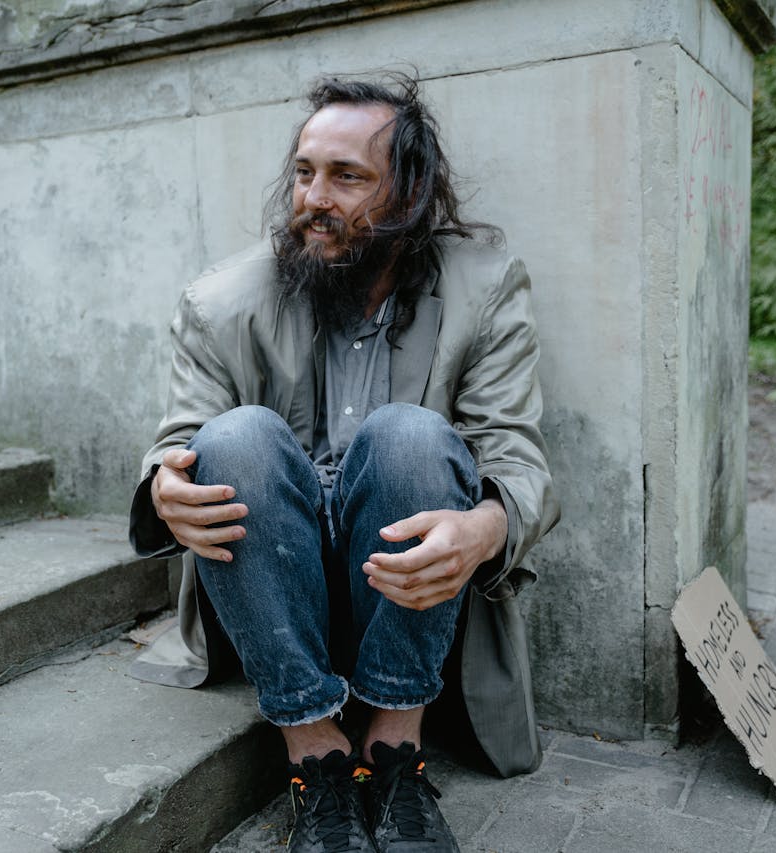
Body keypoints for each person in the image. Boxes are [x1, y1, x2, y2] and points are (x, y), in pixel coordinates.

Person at [129, 74, 558, 853]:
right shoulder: (222, 300)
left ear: (411, 194)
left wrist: (485, 527)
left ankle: (395, 752)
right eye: (303, 172)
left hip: (403, 589)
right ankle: (316, 754)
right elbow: (180, 439)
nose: (312, 198)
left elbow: (519, 459)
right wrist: (167, 485)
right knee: (232, 440)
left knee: (412, 437)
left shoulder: (484, 288)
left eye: (347, 177)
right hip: (269, 582)